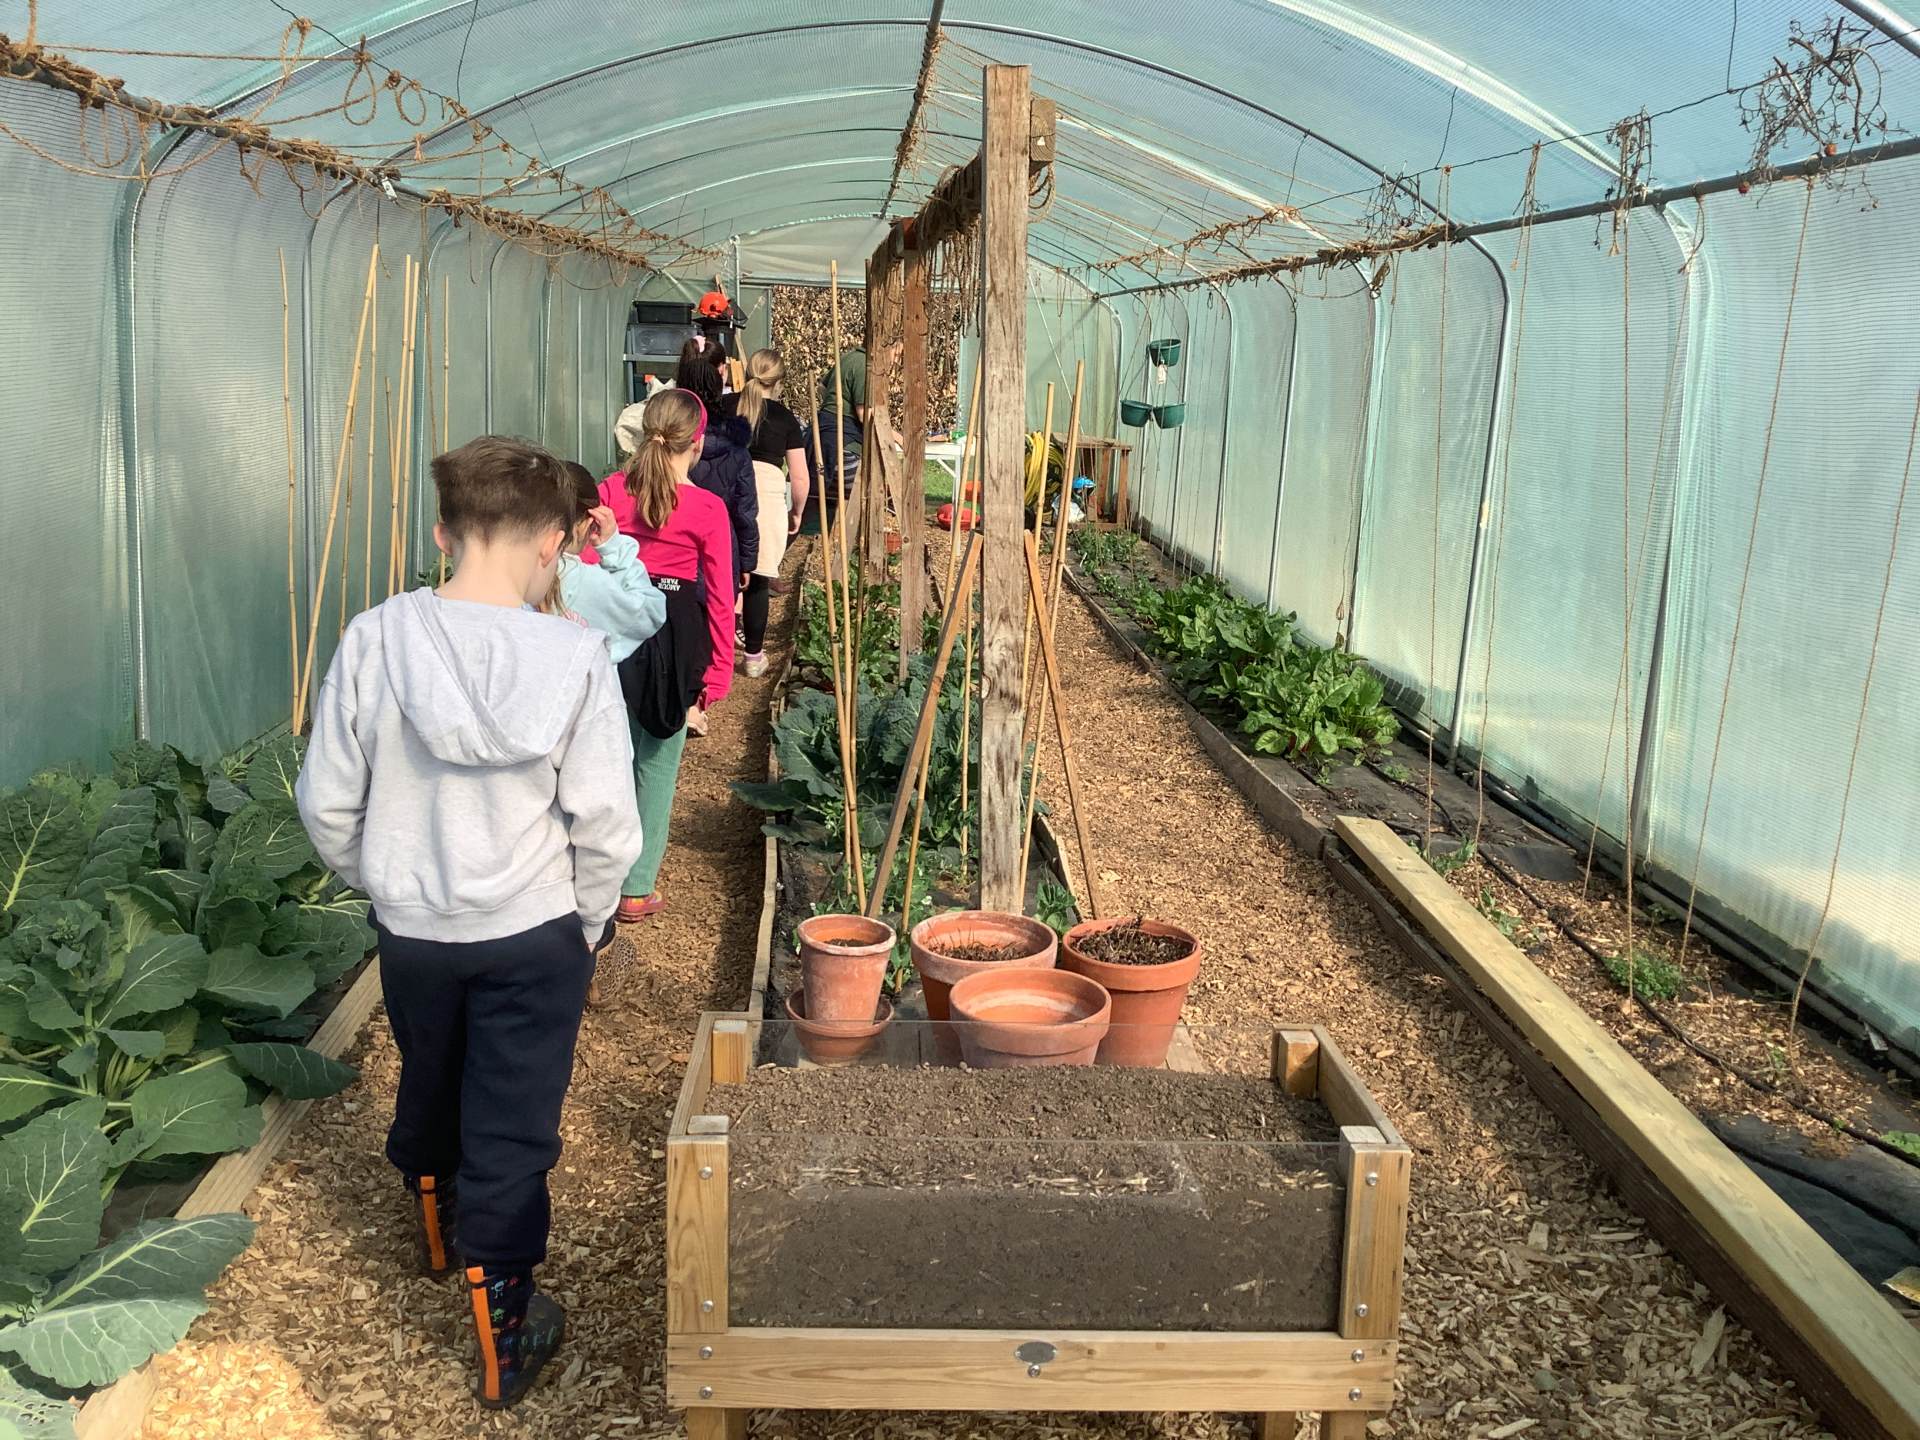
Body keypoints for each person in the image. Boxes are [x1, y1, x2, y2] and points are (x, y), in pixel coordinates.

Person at [294, 435, 643, 1411]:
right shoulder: (574, 656)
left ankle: (437, 1230)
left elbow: (326, 802)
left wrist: (388, 882)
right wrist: (586, 922)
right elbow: (607, 825)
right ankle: (504, 1339)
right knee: (513, 1125)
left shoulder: (376, 638)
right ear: (553, 542)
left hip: (416, 931)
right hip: (533, 933)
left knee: (432, 1071)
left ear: (443, 532)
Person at [597, 392, 734, 920]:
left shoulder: (612, 491)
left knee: (603, 757)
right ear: (696, 445)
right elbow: (720, 596)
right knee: (656, 762)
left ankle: (591, 877)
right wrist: (718, 671)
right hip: (673, 636)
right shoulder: (707, 508)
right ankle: (635, 888)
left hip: (613, 624)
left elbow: (584, 560)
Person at [729, 348, 810, 675]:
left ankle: (715, 646)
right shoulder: (785, 419)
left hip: (728, 489)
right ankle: (753, 657)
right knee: (759, 577)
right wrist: (797, 512)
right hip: (767, 497)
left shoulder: (726, 406)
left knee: (723, 572)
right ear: (778, 383)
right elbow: (800, 478)